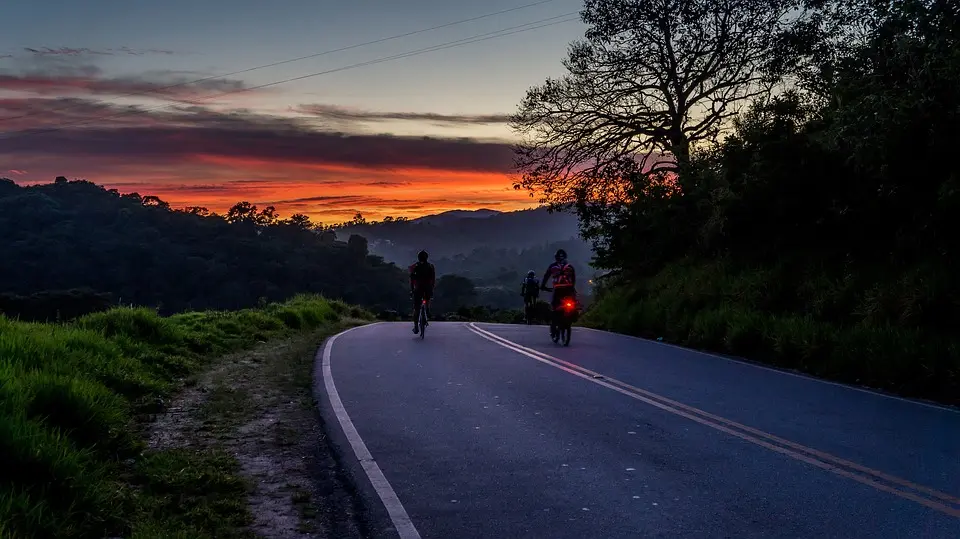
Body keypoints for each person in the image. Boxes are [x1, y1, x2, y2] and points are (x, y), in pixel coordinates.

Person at [540, 249, 577, 330]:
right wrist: (573, 288)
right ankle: (571, 317)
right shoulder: (570, 266)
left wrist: (543, 286)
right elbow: (574, 279)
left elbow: (546, 276)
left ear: (556, 257)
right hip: (569, 289)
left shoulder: (552, 266)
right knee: (574, 303)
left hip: (557, 289)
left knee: (554, 306)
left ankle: (554, 324)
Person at [408, 250, 436, 334]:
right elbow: (433, 279)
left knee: (416, 308)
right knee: (427, 299)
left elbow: (412, 279)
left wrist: (412, 290)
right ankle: (427, 309)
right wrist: (432, 288)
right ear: (427, 257)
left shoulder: (415, 266)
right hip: (428, 288)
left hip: (418, 288)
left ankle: (416, 327)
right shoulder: (431, 266)